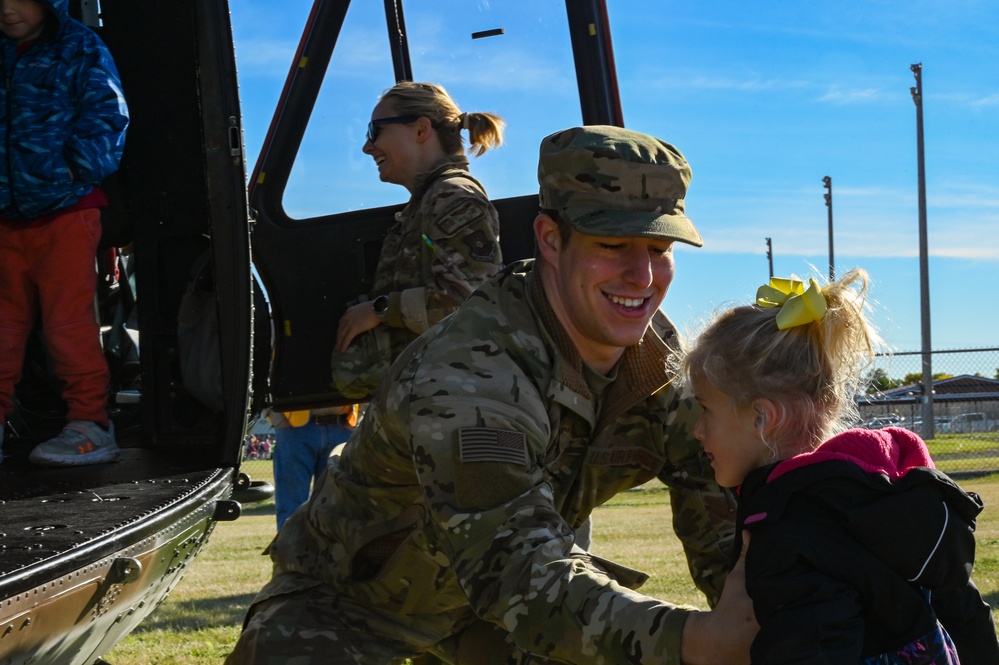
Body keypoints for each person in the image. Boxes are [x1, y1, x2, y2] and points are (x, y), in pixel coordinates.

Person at [226, 125, 756, 665]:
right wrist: (695, 643)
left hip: (487, 621)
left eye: (660, 248)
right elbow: (516, 572)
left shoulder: (658, 363)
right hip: (353, 607)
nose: (642, 275)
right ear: (550, 239)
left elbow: (725, 524)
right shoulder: (471, 372)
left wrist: (777, 621)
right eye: (612, 245)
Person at [682, 269, 999, 664]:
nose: (697, 430)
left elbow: (809, 647)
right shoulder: (888, 495)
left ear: (762, 419)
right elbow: (965, 614)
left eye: (706, 409)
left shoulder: (791, 526)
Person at [0, 0, 129, 466]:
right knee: (2, 329)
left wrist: (72, 171)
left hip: (66, 210)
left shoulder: (79, 45)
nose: (7, 10)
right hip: (4, 214)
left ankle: (91, 424)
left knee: (67, 325)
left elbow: (107, 114)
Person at [331, 81, 505, 400]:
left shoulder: (454, 199)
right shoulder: (429, 202)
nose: (367, 147)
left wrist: (381, 309)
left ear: (421, 130)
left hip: (452, 400)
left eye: (375, 131)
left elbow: (471, 306)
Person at [268, 406, 357, 530]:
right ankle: (291, 548)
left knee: (337, 509)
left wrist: (359, 416)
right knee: (291, 507)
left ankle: (330, 550)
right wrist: (277, 418)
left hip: (341, 426)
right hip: (294, 429)